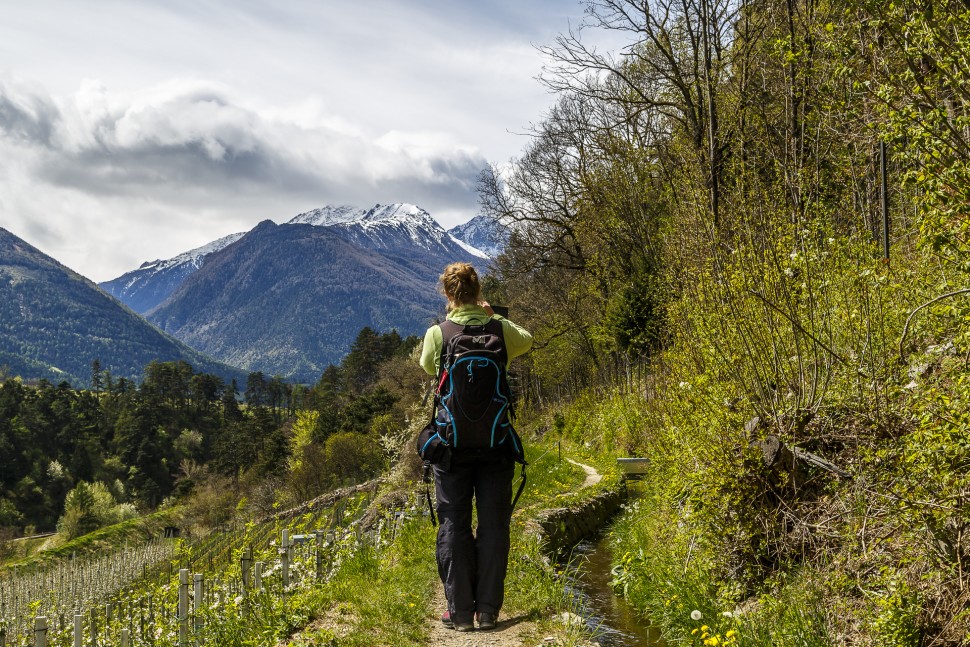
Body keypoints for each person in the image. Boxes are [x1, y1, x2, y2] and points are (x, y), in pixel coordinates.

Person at [419, 262, 533, 632]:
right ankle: (487, 612)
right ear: (478, 290)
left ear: (448, 294)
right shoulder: (501, 331)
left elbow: (428, 368)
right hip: (496, 444)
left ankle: (460, 614)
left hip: (451, 448)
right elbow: (527, 340)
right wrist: (492, 314)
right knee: (495, 524)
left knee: (453, 522)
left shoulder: (438, 334)